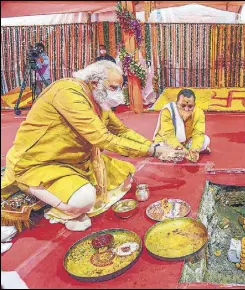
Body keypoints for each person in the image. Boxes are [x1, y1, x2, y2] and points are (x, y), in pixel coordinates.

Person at [1, 60, 183, 230]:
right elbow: (103, 138)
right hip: (41, 161)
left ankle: (64, 190)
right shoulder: (68, 93)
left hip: (77, 160)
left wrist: (154, 145)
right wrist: (154, 152)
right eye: (113, 87)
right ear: (95, 83)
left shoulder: (97, 99)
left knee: (125, 176)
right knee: (84, 199)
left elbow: (121, 130)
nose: (118, 93)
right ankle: (34, 189)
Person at [153, 89, 210, 163]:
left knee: (205, 140)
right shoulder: (168, 111)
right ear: (177, 103)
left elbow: (198, 134)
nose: (186, 109)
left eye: (190, 106)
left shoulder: (199, 113)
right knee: (162, 147)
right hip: (168, 141)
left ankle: (185, 151)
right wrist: (184, 151)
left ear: (194, 105)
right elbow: (168, 136)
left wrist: (195, 149)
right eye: (183, 105)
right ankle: (180, 151)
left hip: (186, 141)